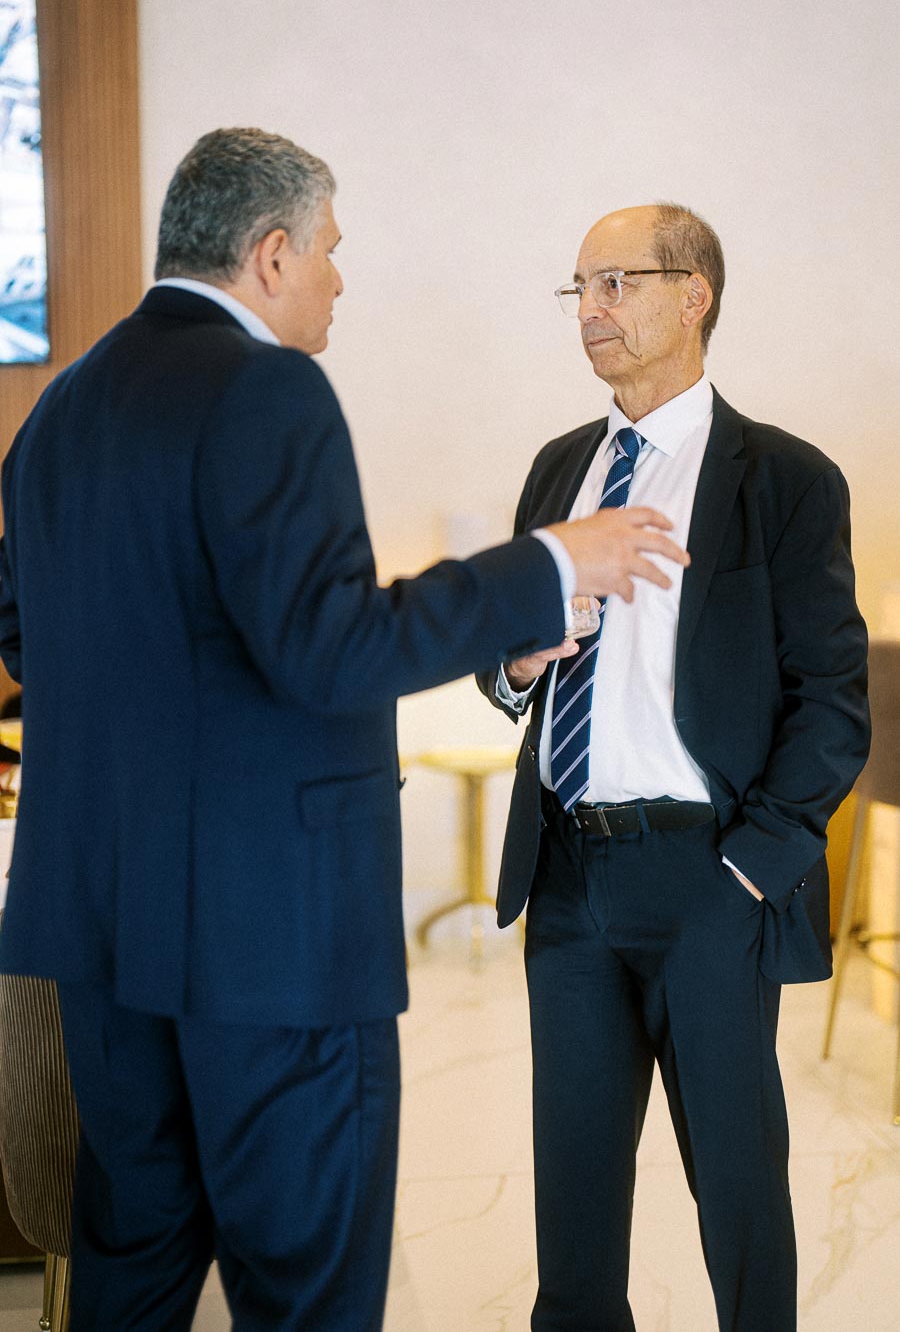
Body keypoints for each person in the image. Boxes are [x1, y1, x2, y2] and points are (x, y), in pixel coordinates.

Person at [0, 131, 688, 1331]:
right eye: (328, 249)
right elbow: (327, 651)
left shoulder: (65, 404)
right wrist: (544, 567)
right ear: (271, 254)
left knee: (134, 1266)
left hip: (103, 931)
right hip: (270, 936)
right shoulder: (268, 387)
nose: (337, 278)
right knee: (304, 1288)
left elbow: (28, 636)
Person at [478, 202, 870, 1332]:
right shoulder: (559, 469)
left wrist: (753, 868)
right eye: (580, 289)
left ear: (694, 295)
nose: (590, 311)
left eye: (618, 283)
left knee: (738, 1190)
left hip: (712, 878)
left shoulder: (786, 478)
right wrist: (514, 662)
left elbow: (832, 700)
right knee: (572, 1200)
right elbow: (509, 665)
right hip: (567, 877)